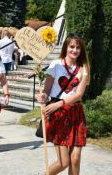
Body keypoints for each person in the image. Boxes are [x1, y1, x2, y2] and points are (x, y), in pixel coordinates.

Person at [37, 34, 90, 175]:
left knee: (76, 158)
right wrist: (43, 96)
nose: (75, 50)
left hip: (76, 113)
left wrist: (59, 103)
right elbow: (47, 90)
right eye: (72, 46)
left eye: (78, 47)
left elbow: (78, 94)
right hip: (57, 115)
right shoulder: (55, 64)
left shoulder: (83, 68)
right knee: (63, 162)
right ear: (66, 47)